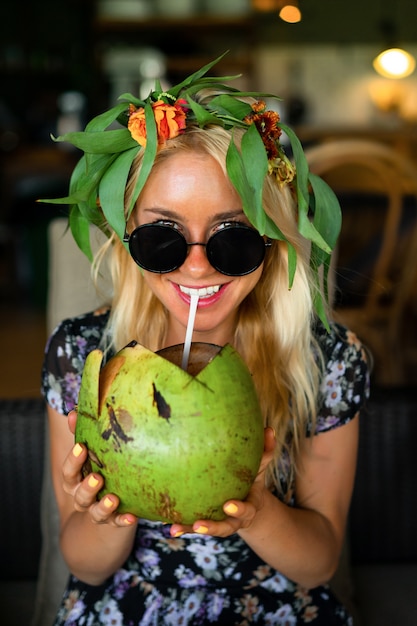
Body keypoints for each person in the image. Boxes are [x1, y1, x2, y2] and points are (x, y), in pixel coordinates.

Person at [41, 54, 369, 625]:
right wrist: (102, 516)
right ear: (126, 242)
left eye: (233, 240)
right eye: (164, 240)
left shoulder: (326, 361)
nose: (196, 270)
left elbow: (319, 565)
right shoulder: (85, 358)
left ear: (274, 243)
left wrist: (254, 510)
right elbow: (87, 567)